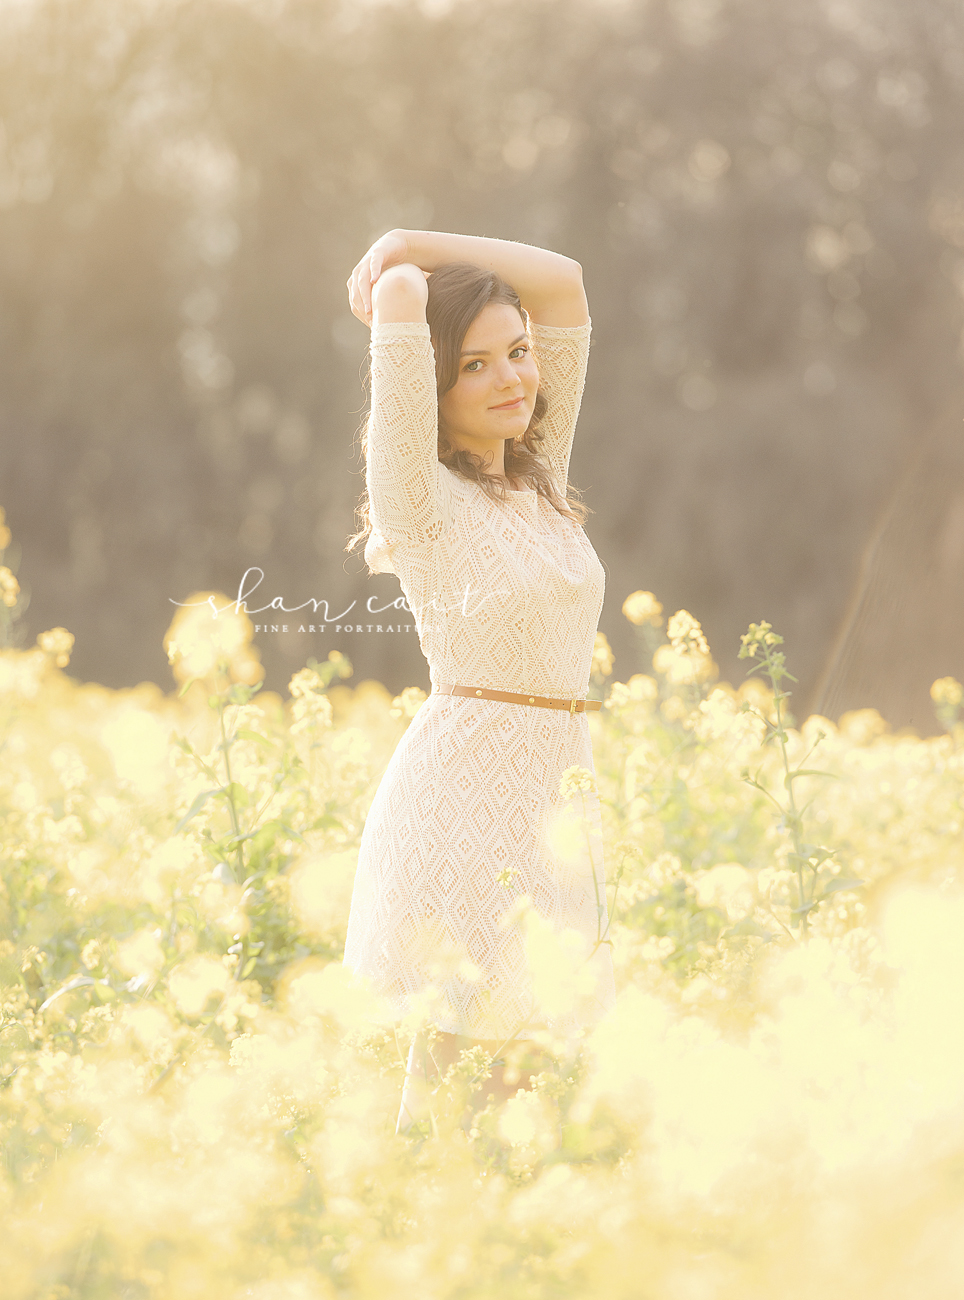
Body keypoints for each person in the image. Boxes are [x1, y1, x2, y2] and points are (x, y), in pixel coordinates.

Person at [343, 229, 616, 1135]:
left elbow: (566, 282)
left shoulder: (542, 482)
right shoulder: (416, 496)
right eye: (474, 366)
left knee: (526, 1102)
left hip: (551, 807)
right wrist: (396, 276)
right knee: (451, 1107)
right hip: (460, 807)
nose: (511, 380)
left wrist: (407, 236)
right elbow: (399, 304)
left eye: (519, 353)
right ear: (430, 385)